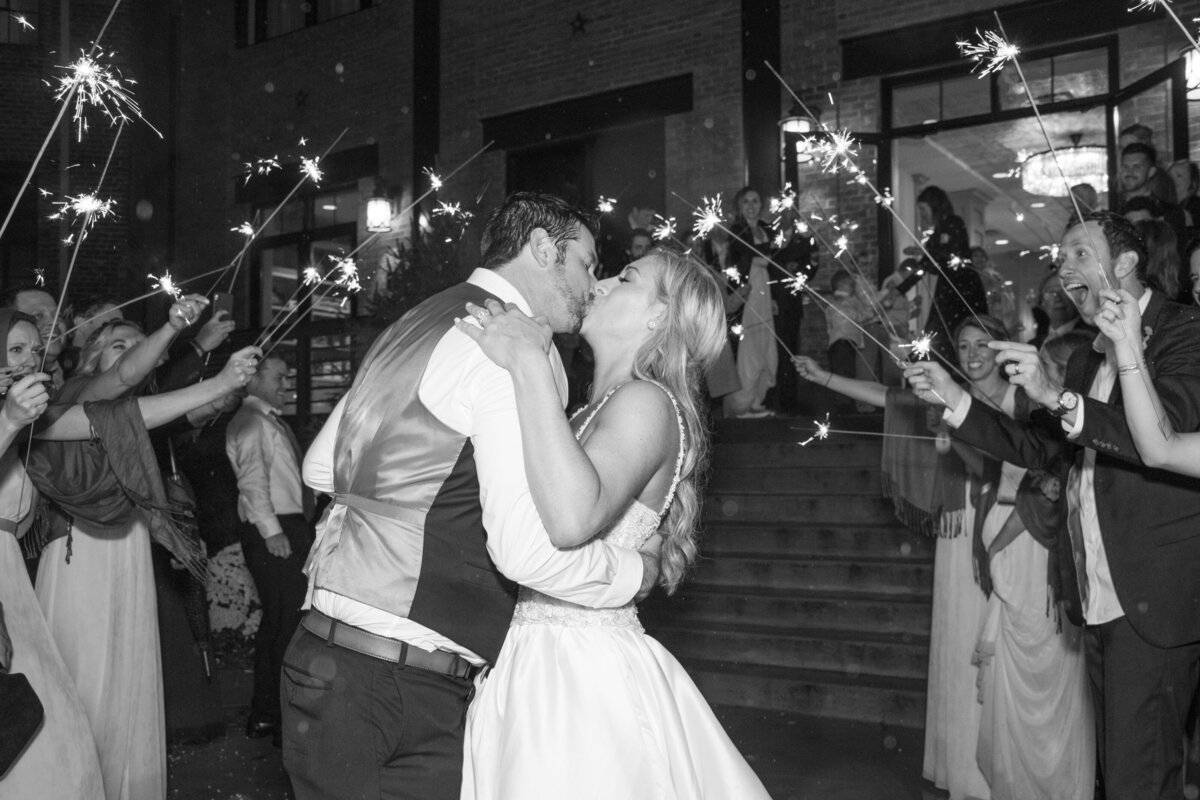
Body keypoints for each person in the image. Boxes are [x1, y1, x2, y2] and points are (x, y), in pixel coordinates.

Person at [284, 192, 656, 800]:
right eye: (586, 263)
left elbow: (322, 468)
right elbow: (526, 553)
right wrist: (633, 574)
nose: (593, 282)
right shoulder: (514, 346)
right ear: (543, 249)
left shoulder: (418, 320)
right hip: (399, 689)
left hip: (322, 662)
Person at [905, 210, 1200, 799]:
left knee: (1141, 778)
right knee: (1120, 772)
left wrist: (1055, 394)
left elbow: (1164, 436)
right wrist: (957, 401)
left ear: (1125, 264)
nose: (1063, 268)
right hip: (1095, 592)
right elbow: (1045, 450)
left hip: (1154, 595)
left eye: (1080, 254)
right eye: (1060, 259)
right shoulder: (1090, 357)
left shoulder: (1183, 331)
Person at [457, 247, 770, 798]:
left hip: (581, 676)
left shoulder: (648, 402)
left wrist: (528, 363)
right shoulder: (580, 412)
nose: (598, 283)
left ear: (659, 316)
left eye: (625, 277)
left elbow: (572, 519)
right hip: (532, 656)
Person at [29, 296, 251, 800]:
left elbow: (154, 400)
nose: (132, 353)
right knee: (81, 670)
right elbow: (126, 380)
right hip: (78, 549)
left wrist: (215, 380)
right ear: (91, 359)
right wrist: (175, 329)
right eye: (118, 345)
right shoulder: (78, 394)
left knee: (129, 669)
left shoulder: (132, 414)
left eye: (136, 344)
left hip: (127, 545)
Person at [225, 354, 313, 746]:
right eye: (279, 376)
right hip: (275, 528)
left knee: (277, 623)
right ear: (253, 378)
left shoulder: (264, 421)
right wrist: (274, 532)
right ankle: (278, 718)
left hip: (283, 525)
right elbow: (252, 482)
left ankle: (267, 715)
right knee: (289, 624)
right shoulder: (251, 423)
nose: (286, 384)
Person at [906, 186, 988, 367]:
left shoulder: (954, 223)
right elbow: (926, 265)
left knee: (951, 329)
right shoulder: (936, 233)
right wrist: (901, 288)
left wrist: (926, 252)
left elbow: (955, 256)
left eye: (923, 209)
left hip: (963, 287)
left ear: (934, 206)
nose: (922, 214)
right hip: (948, 287)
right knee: (939, 329)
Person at [724, 185, 777, 417]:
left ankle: (756, 398)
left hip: (764, 288)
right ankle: (741, 405)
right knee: (750, 348)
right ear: (739, 206)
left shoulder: (766, 229)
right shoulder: (737, 230)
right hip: (748, 291)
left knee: (765, 346)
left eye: (756, 201)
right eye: (747, 201)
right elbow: (749, 255)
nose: (752, 206)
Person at [1169, 159, 1200, 230]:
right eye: (1169, 175)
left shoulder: (1197, 207)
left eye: (1179, 175)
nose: (1172, 179)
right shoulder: (1162, 203)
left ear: (1192, 182)